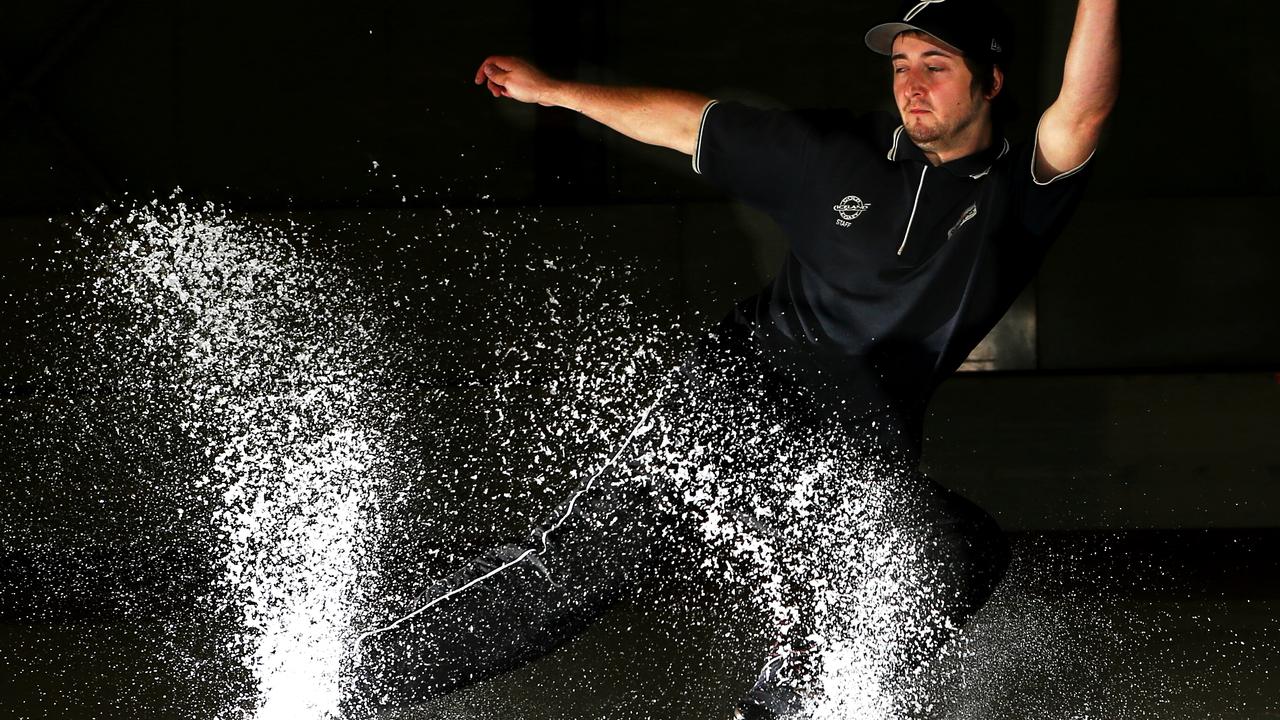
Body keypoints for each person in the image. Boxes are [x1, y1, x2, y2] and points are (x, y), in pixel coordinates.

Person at [350, 1, 1120, 717]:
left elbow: (1082, 107)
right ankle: (350, 678)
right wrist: (556, 92)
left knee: (954, 550)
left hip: (846, 450)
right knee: (579, 568)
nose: (911, 86)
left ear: (990, 80)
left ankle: (787, 702)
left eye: (936, 66)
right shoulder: (837, 157)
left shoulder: (1016, 197)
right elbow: (690, 125)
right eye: (900, 67)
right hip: (729, 401)